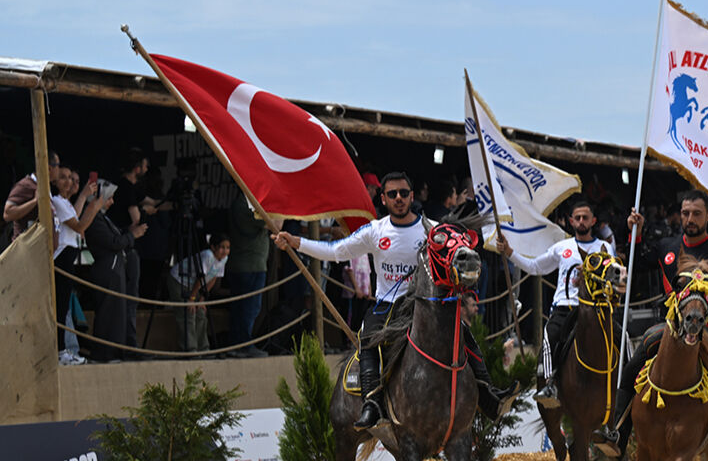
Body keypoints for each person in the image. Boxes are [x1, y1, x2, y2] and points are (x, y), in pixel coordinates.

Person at [272, 171, 514, 429]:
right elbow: (336, 251)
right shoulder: (375, 230)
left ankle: (488, 395)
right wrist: (296, 242)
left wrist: (498, 244)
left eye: (403, 193)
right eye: (392, 194)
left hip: (424, 304)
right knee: (368, 338)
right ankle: (371, 403)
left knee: (463, 333)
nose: (398, 198)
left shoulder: (433, 229)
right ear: (384, 199)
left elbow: (461, 248)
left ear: (412, 196)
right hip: (387, 307)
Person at [594, 189, 708, 459]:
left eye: (696, 213)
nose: (690, 218)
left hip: (707, 329)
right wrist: (634, 233)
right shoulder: (667, 247)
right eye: (685, 213)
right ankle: (617, 435)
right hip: (669, 327)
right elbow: (636, 266)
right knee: (631, 368)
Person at [496, 198, 615, 408]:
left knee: (620, 337)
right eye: (577, 218)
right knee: (549, 338)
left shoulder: (604, 247)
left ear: (593, 220)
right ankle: (548, 384)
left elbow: (614, 277)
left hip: (596, 308)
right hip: (565, 306)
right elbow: (535, 267)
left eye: (585, 217)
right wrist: (509, 252)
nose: (581, 221)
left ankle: (624, 384)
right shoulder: (562, 247)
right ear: (570, 221)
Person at [84, 182, 147, 362]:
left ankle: (114, 352)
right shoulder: (93, 219)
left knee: (117, 313)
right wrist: (132, 235)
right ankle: (104, 353)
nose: (111, 202)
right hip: (107, 269)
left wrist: (130, 233)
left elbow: (118, 236)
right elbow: (113, 242)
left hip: (115, 268)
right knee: (107, 312)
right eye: (109, 198)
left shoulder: (102, 218)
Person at [106, 148, 159, 354]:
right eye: (144, 166)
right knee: (129, 298)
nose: (146, 170)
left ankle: (127, 342)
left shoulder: (131, 188)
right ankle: (129, 344)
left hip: (127, 248)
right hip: (126, 248)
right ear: (137, 168)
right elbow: (136, 219)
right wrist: (146, 213)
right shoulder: (125, 189)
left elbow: (149, 202)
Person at [52, 166, 105, 364]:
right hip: (62, 256)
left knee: (64, 305)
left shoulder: (64, 202)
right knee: (61, 306)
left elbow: (75, 217)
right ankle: (60, 351)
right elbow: (80, 225)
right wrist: (95, 206)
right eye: (64, 178)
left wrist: (83, 196)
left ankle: (65, 349)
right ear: (56, 181)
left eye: (71, 178)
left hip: (69, 255)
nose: (69, 182)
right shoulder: (57, 201)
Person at [224, 188, 270, 357]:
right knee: (247, 308)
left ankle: (240, 343)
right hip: (248, 266)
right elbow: (276, 225)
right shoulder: (244, 206)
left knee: (247, 308)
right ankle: (241, 345)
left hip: (253, 265)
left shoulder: (248, 204)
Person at [169, 233, 231, 353]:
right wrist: (192, 299)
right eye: (222, 247)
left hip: (194, 286)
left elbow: (213, 278)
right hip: (179, 280)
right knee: (188, 312)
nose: (225, 251)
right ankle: (190, 348)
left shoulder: (224, 259)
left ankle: (203, 348)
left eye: (227, 248)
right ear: (213, 247)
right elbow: (200, 277)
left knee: (201, 313)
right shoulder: (208, 256)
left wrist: (202, 299)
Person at [4, 151, 58, 244]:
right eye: (58, 165)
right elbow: (8, 214)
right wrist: (34, 201)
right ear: (49, 168)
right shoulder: (25, 185)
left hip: (41, 252)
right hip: (27, 250)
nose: (59, 169)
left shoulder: (44, 187)